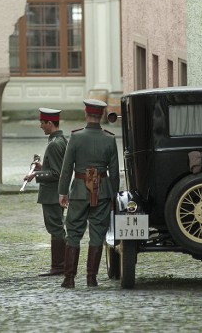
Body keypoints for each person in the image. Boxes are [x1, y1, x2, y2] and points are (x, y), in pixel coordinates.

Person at [58, 99, 119, 288]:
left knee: (74, 233)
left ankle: (69, 279)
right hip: (101, 192)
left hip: (78, 191)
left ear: (86, 114)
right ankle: (91, 278)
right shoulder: (109, 139)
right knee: (97, 235)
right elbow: (115, 173)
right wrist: (113, 196)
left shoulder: (76, 137)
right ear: (101, 116)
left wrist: (62, 192)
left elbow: (67, 168)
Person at [24, 107, 68, 276]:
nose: (41, 126)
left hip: (52, 194)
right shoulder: (60, 140)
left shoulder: (55, 144)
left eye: (42, 123)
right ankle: (60, 264)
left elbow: (56, 174)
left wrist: (35, 174)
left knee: (56, 229)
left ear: (50, 123)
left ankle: (59, 266)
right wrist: (42, 168)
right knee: (57, 227)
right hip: (55, 193)